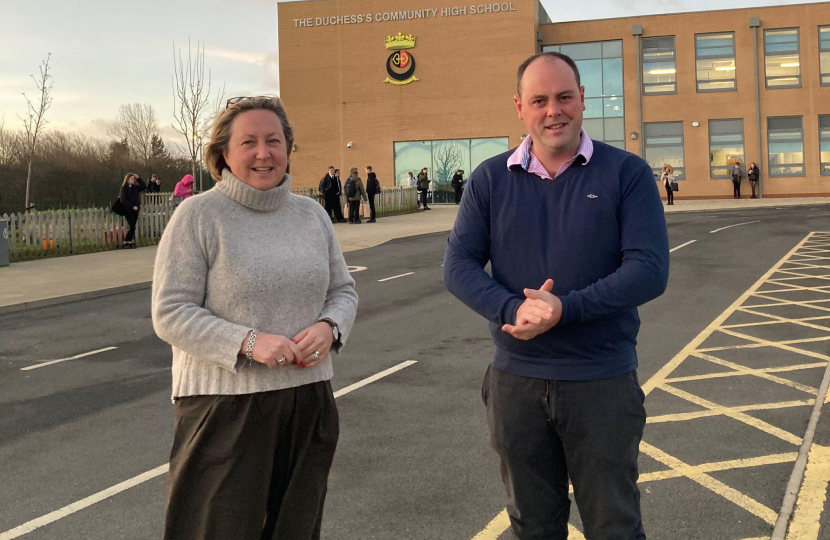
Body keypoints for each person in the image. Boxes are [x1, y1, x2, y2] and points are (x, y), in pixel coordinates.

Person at [443, 52, 669, 540]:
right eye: (540, 100)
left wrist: (566, 308)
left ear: (582, 99)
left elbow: (649, 270)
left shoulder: (626, 173)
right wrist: (512, 308)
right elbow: (457, 265)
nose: (554, 111)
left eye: (564, 97)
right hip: (516, 385)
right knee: (533, 527)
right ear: (520, 107)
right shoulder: (488, 179)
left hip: (600, 382)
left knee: (614, 525)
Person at [151, 96, 358, 540]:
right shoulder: (198, 216)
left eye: (274, 141)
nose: (263, 153)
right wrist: (249, 342)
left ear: (288, 148)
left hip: (308, 399)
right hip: (224, 408)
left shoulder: (312, 215)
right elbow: (170, 311)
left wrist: (330, 327)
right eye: (249, 142)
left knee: (296, 530)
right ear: (223, 153)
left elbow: (343, 290)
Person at [119, 173, 146, 249]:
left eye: (134, 179)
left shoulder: (135, 187)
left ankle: (129, 241)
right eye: (131, 178)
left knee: (133, 226)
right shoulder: (124, 188)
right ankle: (125, 241)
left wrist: (138, 178)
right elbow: (123, 200)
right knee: (132, 226)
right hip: (128, 210)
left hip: (136, 210)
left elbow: (144, 187)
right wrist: (132, 206)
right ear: (127, 179)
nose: (133, 180)